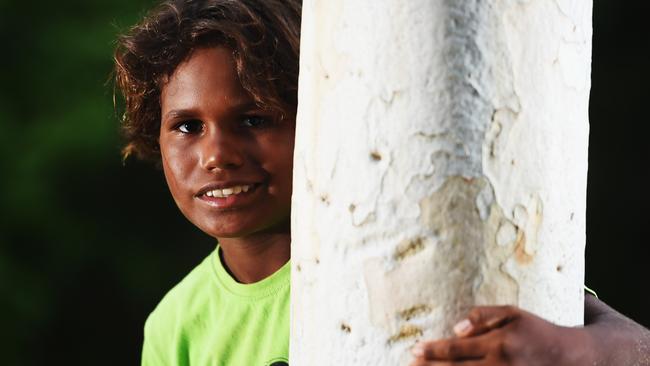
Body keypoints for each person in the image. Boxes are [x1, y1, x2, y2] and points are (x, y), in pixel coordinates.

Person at [113, 0, 650, 365]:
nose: (217, 155)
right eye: (187, 126)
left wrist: (567, 352)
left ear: (324, 119)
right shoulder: (175, 326)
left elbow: (634, 346)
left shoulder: (414, 250)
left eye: (255, 119)